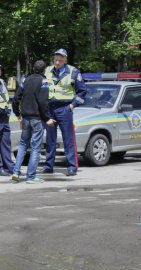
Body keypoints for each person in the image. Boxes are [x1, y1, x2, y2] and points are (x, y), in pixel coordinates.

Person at [41, 48, 87, 176]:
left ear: (65, 60)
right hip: (50, 108)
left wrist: (72, 105)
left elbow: (82, 91)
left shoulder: (73, 72)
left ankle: (72, 166)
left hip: (65, 108)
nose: (57, 62)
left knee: (68, 139)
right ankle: (49, 165)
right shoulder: (47, 70)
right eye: (56, 59)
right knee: (50, 139)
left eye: (60, 60)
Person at [11, 60, 55, 184]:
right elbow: (43, 102)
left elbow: (15, 99)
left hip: (25, 118)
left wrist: (17, 113)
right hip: (37, 119)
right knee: (35, 147)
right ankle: (30, 177)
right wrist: (47, 118)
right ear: (44, 70)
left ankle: (16, 172)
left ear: (33, 68)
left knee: (23, 145)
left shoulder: (25, 80)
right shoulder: (44, 81)